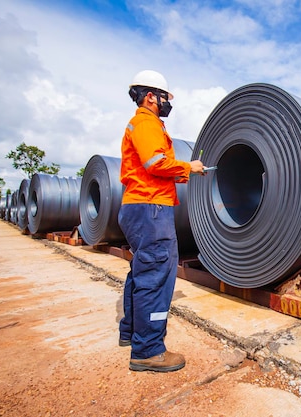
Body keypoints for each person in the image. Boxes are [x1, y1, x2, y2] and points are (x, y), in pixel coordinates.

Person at [118, 69, 204, 372]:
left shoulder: (144, 123)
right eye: (166, 97)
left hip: (142, 206)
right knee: (156, 276)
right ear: (151, 96)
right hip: (150, 208)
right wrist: (188, 167)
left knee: (142, 272)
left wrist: (184, 171)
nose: (169, 102)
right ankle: (148, 350)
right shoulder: (146, 123)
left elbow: (154, 166)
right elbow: (156, 162)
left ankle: (132, 333)